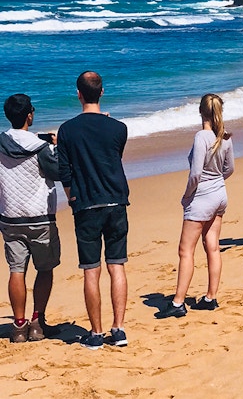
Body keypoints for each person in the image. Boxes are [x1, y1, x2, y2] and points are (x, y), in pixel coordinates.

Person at [58, 71, 129, 349]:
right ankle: (119, 329)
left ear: (78, 94)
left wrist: (71, 198)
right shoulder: (119, 128)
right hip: (115, 201)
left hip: (86, 203)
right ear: (101, 92)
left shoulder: (67, 130)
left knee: (91, 270)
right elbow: (112, 156)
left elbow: (65, 173)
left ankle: (97, 333)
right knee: (117, 265)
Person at [157, 94, 234, 319]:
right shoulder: (225, 136)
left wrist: (187, 195)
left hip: (202, 198)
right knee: (213, 247)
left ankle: (179, 301)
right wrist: (216, 182)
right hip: (220, 194)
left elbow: (196, 173)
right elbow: (229, 169)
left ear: (201, 112)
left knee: (185, 250)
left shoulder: (202, 136)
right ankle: (210, 297)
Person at [0, 94, 60, 343]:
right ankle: (37, 322)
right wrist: (56, 147)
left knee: (16, 270)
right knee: (45, 269)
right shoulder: (41, 147)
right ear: (29, 115)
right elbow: (56, 172)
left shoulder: (1, 142)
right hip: (39, 215)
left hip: (10, 215)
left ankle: (18, 325)